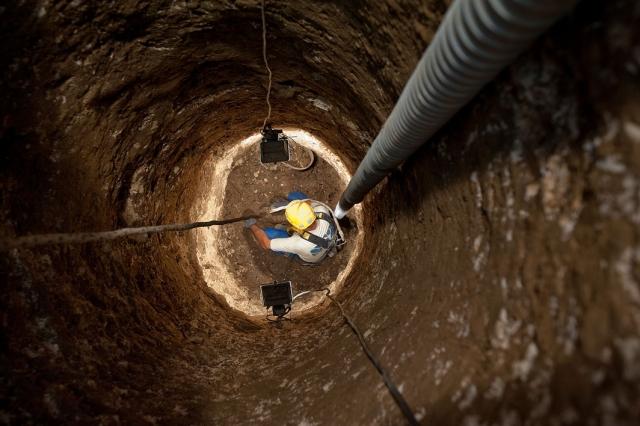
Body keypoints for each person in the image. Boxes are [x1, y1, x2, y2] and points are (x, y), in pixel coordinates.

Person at [244, 191, 341, 265]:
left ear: (295, 227)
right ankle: (292, 204)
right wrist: (291, 206)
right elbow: (309, 202)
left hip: (306, 254)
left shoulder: (297, 243)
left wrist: (252, 225)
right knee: (295, 196)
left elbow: (266, 244)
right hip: (328, 242)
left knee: (269, 234)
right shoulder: (322, 210)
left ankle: (288, 254)